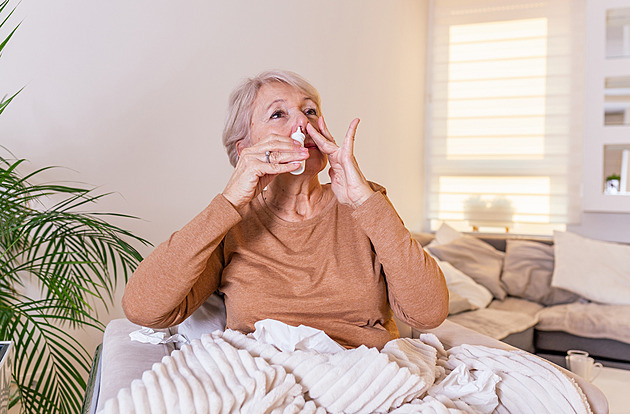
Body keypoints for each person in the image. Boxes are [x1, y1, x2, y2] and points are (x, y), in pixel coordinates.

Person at [122, 70, 448, 349]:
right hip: (265, 379)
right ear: (245, 148)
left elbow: (428, 313)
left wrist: (364, 200)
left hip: (365, 376)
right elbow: (144, 309)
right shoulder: (233, 223)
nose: (303, 125)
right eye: (278, 114)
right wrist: (230, 201)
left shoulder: (365, 203)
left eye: (309, 111)